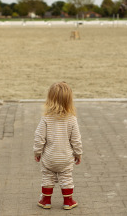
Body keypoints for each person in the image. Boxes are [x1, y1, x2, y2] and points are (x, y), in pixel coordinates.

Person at [34, 82, 83, 210]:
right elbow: (76, 140)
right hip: (66, 158)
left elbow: (39, 137)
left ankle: (46, 200)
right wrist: (78, 153)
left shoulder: (46, 118)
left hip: (49, 157)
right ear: (69, 100)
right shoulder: (72, 119)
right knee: (66, 177)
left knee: (47, 176)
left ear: (50, 99)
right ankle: (68, 201)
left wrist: (37, 152)